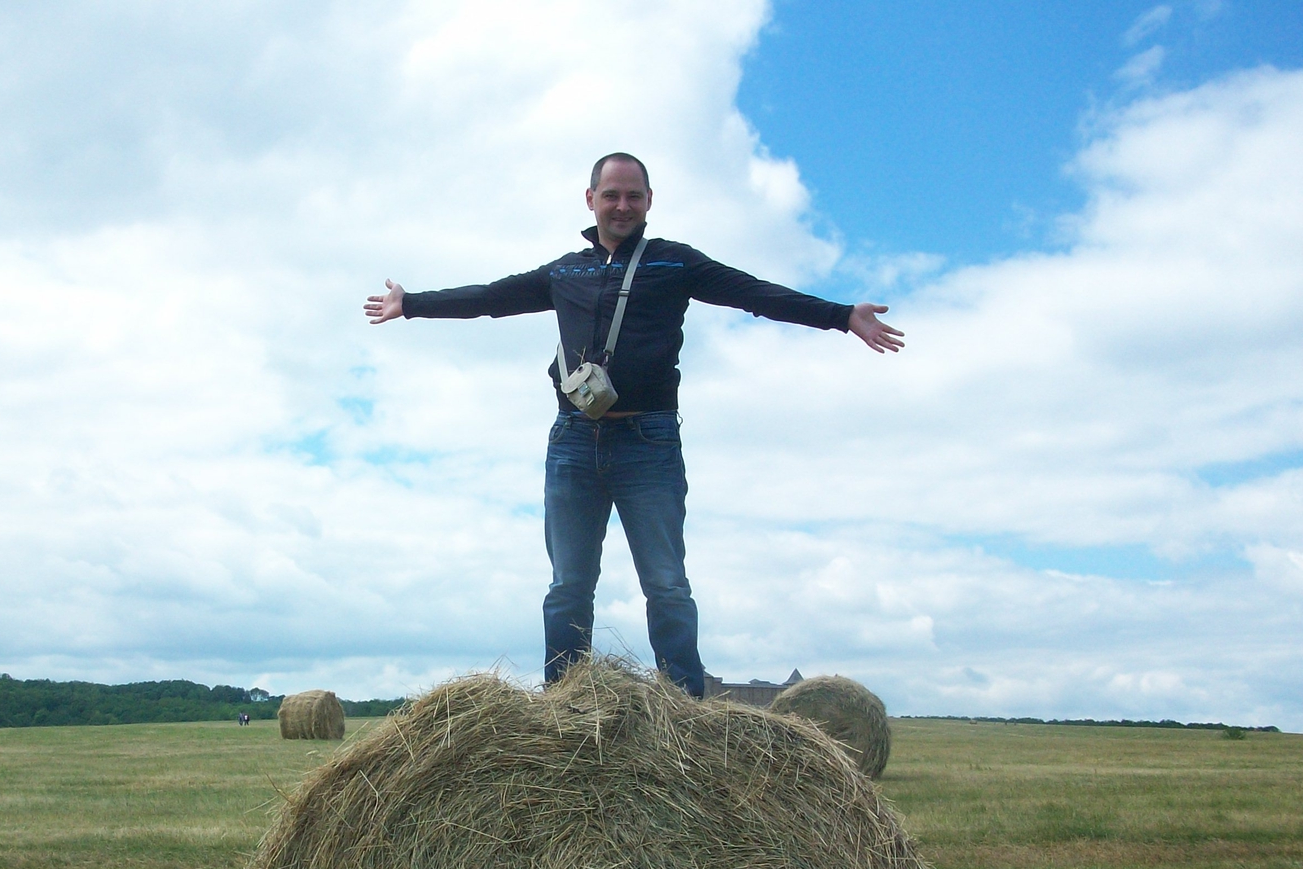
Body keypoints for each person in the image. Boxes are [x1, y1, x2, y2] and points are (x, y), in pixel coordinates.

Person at [364, 153, 902, 698]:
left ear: (648, 201)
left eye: (633, 196)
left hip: (650, 442)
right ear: (590, 199)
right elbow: (489, 298)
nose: (622, 206)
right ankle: (565, 707)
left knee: (666, 585)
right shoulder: (564, 272)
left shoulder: (674, 264)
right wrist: (411, 304)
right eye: (611, 195)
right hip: (573, 442)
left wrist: (841, 316)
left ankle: (685, 709)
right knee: (568, 588)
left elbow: (755, 294)